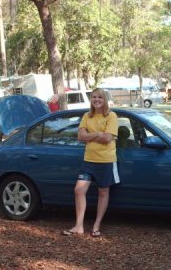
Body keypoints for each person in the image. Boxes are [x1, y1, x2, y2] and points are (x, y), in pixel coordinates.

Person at [63, 88, 119, 237]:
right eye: (94, 97)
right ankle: (79, 226)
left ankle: (96, 226)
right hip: (89, 160)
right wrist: (98, 133)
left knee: (103, 192)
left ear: (104, 99)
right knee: (79, 190)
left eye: (100, 97)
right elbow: (80, 136)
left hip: (106, 160)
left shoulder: (111, 116)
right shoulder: (87, 116)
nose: (96, 99)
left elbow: (108, 138)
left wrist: (90, 136)